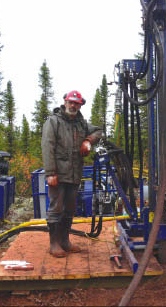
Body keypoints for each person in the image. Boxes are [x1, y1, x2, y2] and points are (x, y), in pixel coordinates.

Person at [42, 90, 102, 257]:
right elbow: (48, 147)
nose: (73, 105)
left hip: (75, 174)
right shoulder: (53, 122)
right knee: (56, 208)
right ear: (65, 102)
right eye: (71, 102)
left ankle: (65, 241)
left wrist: (88, 141)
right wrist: (50, 173)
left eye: (77, 103)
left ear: (80, 105)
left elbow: (98, 131)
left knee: (69, 209)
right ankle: (54, 244)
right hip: (58, 174)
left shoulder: (81, 124)